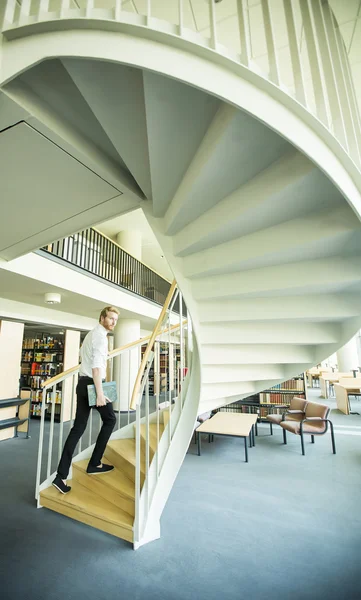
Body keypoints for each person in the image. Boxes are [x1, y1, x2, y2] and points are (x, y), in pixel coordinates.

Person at [52, 306, 119, 494]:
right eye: (111, 318)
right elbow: (97, 369)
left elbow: (91, 361)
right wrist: (99, 393)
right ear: (102, 318)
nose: (114, 322)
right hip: (93, 384)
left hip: (83, 383)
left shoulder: (92, 334)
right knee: (111, 419)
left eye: (116, 319)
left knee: (78, 428)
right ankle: (95, 463)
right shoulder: (100, 338)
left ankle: (61, 476)